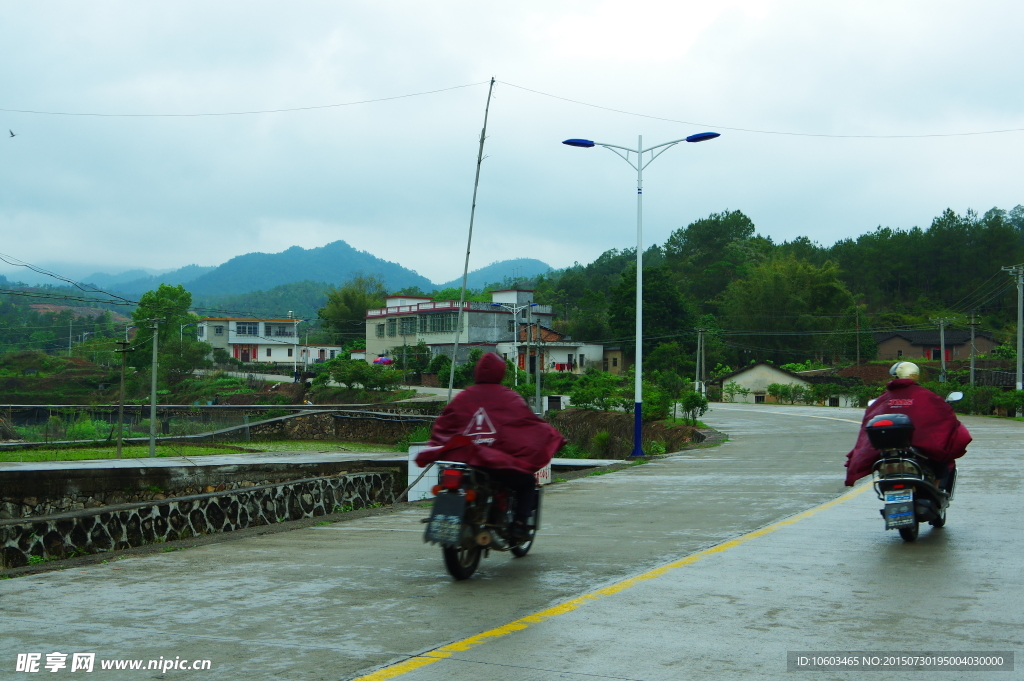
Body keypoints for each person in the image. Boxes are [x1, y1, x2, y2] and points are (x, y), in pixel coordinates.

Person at [416, 352, 565, 539]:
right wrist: (551, 435)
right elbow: (527, 425)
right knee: (527, 483)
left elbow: (444, 423)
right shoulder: (510, 398)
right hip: (496, 465)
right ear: (501, 372)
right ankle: (519, 525)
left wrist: (445, 445)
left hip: (465, 462)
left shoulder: (463, 397)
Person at [844, 361, 971, 488]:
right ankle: (936, 488)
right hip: (920, 453)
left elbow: (868, 423)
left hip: (890, 453)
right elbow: (946, 420)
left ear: (896, 376)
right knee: (941, 457)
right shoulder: (927, 397)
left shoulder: (884, 399)